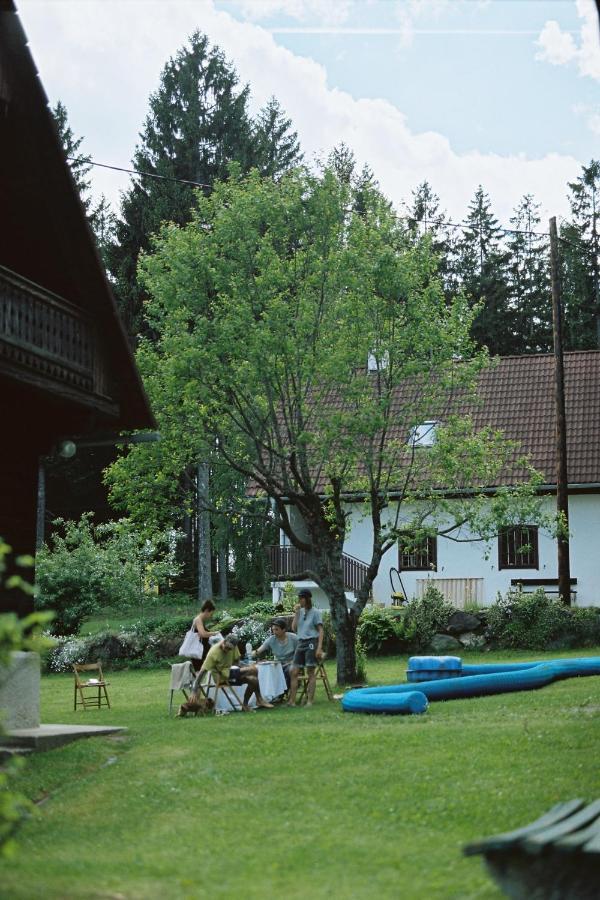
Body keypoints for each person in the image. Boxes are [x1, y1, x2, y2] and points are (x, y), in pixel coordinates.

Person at [194, 634, 273, 711]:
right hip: (221, 677)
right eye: (227, 647)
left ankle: (245, 705)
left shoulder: (233, 647)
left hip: (230, 673)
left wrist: (248, 666)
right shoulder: (213, 653)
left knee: (253, 679)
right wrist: (194, 691)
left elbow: (237, 663)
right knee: (254, 670)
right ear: (224, 641)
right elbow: (202, 672)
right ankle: (259, 699)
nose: (227, 650)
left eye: (230, 649)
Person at [287, 589, 324, 707]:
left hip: (311, 642)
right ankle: (292, 701)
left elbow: (321, 630)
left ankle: (310, 701)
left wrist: (319, 648)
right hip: (300, 642)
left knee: (310, 671)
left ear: (306, 599)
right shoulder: (300, 612)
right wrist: (296, 614)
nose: (299, 601)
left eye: (301, 598)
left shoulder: (316, 612)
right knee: (294, 671)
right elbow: (294, 628)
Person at [253, 618, 299, 690]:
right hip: (278, 664)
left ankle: (283, 691)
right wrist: (253, 653)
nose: (274, 632)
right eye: (273, 630)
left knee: (287, 670)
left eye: (276, 629)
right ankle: (271, 692)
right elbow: (259, 650)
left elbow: (300, 652)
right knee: (265, 670)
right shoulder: (271, 639)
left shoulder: (293, 638)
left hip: (293, 663)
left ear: (283, 630)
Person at [190, 599, 218, 672]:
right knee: (199, 673)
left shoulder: (201, 620)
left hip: (201, 650)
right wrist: (214, 633)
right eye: (211, 614)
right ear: (206, 610)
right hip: (197, 650)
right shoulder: (198, 620)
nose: (210, 616)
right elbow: (202, 634)